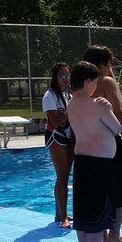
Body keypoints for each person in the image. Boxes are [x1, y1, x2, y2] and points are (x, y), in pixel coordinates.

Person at [65, 61, 122, 242]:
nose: (95, 88)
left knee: (82, 212)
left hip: (82, 162)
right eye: (95, 83)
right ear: (88, 81)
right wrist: (108, 108)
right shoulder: (97, 105)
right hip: (99, 165)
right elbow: (116, 128)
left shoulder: (71, 103)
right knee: (98, 212)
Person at [82, 45, 122, 242]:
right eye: (110, 62)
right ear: (103, 63)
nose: (111, 66)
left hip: (89, 143)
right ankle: (114, 235)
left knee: (98, 189)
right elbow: (119, 114)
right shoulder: (106, 81)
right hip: (110, 142)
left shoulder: (81, 84)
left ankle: (101, 236)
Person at [43, 63, 74, 229]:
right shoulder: (50, 96)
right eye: (62, 76)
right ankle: (63, 217)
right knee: (62, 176)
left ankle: (60, 213)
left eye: (68, 75)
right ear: (55, 78)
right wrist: (71, 109)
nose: (66, 79)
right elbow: (55, 121)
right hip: (56, 137)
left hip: (68, 137)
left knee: (65, 176)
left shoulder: (67, 95)